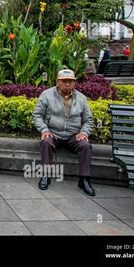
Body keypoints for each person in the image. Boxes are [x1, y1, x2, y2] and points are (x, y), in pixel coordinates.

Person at [32, 69, 96, 197]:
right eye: (64, 81)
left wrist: (84, 132)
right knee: (46, 141)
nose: (67, 84)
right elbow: (37, 115)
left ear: (74, 83)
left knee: (85, 145)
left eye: (70, 81)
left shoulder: (82, 98)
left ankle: (84, 180)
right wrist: (44, 130)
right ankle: (46, 175)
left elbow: (88, 120)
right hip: (53, 133)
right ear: (58, 82)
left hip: (73, 135)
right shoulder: (46, 95)